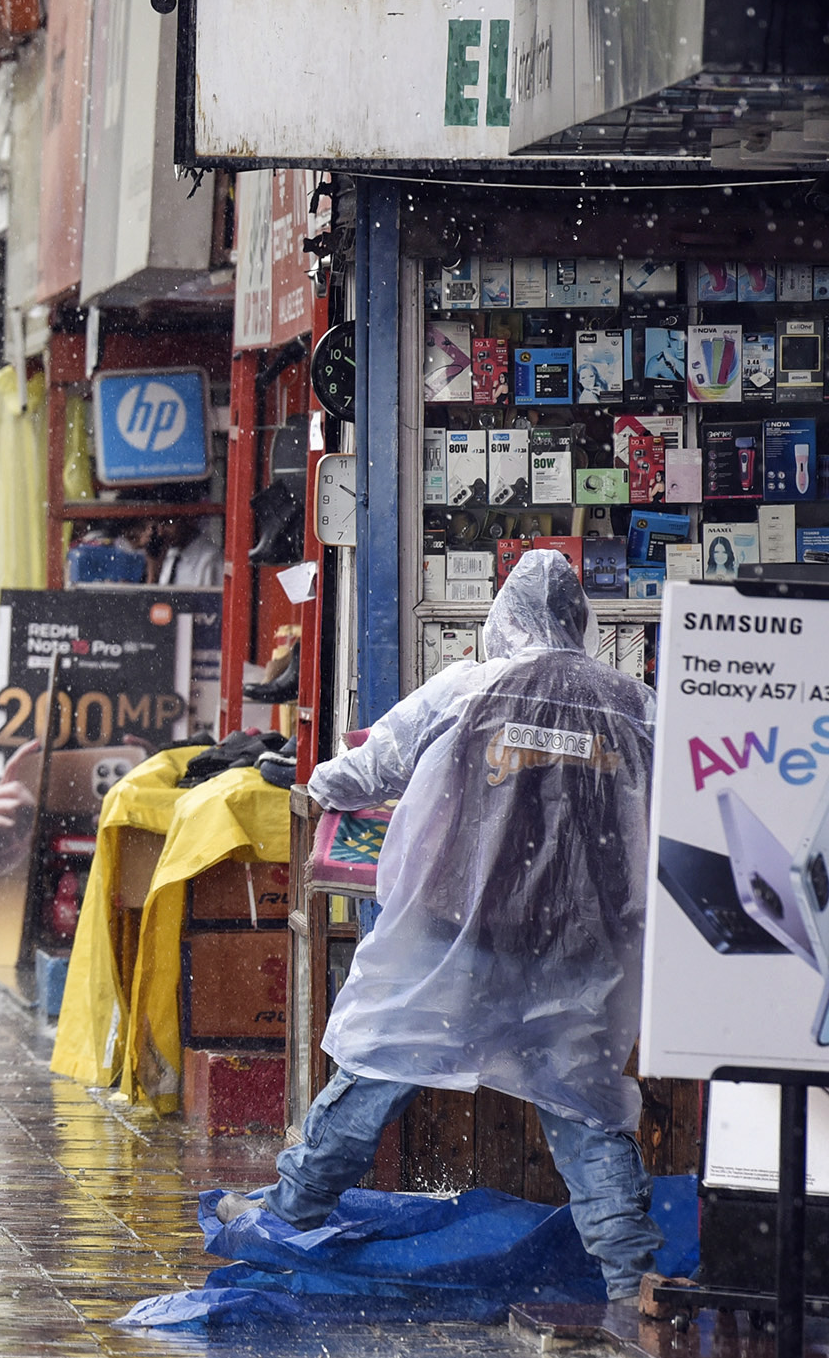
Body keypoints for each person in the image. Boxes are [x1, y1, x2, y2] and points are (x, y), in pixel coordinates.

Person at [218, 550, 663, 1304]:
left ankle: (290, 1218)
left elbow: (369, 768)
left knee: (379, 1067)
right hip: (576, 946)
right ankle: (633, 1277)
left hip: (458, 932)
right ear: (580, 620)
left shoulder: (470, 685)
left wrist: (312, 780)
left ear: (505, 616)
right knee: (585, 1107)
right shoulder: (634, 704)